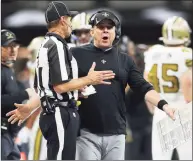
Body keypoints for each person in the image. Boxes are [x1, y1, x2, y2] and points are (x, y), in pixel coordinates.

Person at [6, 2, 115, 160]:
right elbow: (52, 88)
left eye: (86, 31)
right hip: (62, 112)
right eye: (79, 31)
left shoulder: (104, 55)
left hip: (89, 121)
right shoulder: (63, 48)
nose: (83, 36)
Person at [70, 10, 176, 160]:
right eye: (101, 27)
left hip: (116, 133)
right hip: (86, 132)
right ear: (92, 31)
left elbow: (142, 86)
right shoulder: (75, 54)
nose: (105, 30)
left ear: (115, 32)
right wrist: (84, 81)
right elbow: (59, 85)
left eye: (110, 27)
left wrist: (164, 105)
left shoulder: (124, 60)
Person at [144, 16, 192, 160]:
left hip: (161, 108)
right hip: (184, 109)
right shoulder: (188, 55)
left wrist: (153, 107)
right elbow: (189, 81)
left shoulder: (153, 52)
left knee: (161, 158)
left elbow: (146, 82)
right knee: (187, 157)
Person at [1, 29, 39, 160]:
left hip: (8, 133)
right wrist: (25, 94)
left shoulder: (7, 70)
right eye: (7, 46)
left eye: (14, 46)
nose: (13, 50)